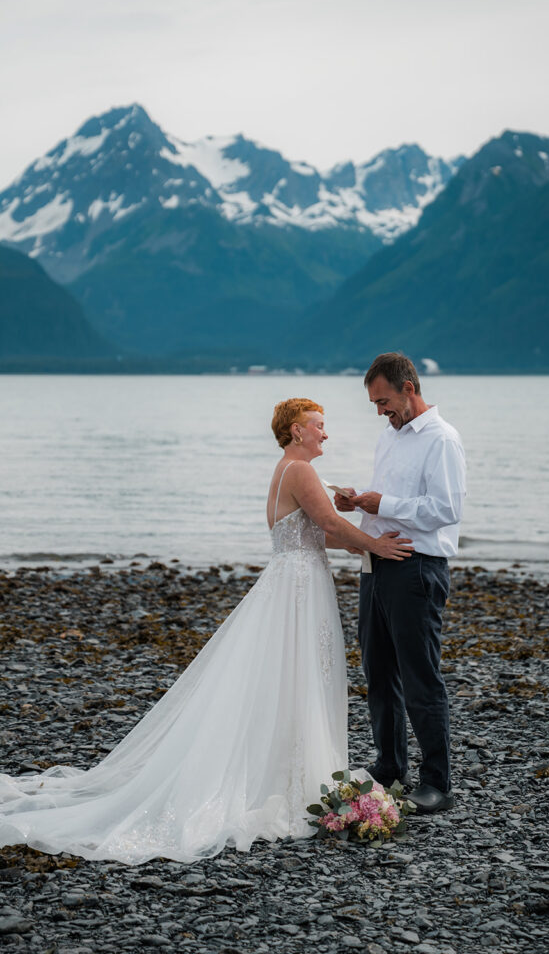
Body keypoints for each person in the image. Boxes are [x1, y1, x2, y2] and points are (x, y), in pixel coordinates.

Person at [0, 398, 412, 864]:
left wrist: (367, 548)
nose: (325, 433)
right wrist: (373, 541)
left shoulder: (290, 470)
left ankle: (296, 770)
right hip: (298, 588)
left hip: (298, 580)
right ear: (296, 431)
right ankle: (289, 779)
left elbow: (326, 535)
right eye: (319, 425)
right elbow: (329, 523)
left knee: (294, 676)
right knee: (297, 674)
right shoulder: (298, 470)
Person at [334, 354, 466, 813]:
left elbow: (445, 509)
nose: (379, 411)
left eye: (384, 401)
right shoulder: (388, 437)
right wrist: (361, 506)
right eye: (374, 403)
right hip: (378, 564)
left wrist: (383, 501)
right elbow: (392, 505)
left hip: (417, 567)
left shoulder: (442, 439)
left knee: (419, 677)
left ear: (409, 388)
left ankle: (438, 782)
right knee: (378, 671)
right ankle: (389, 766)